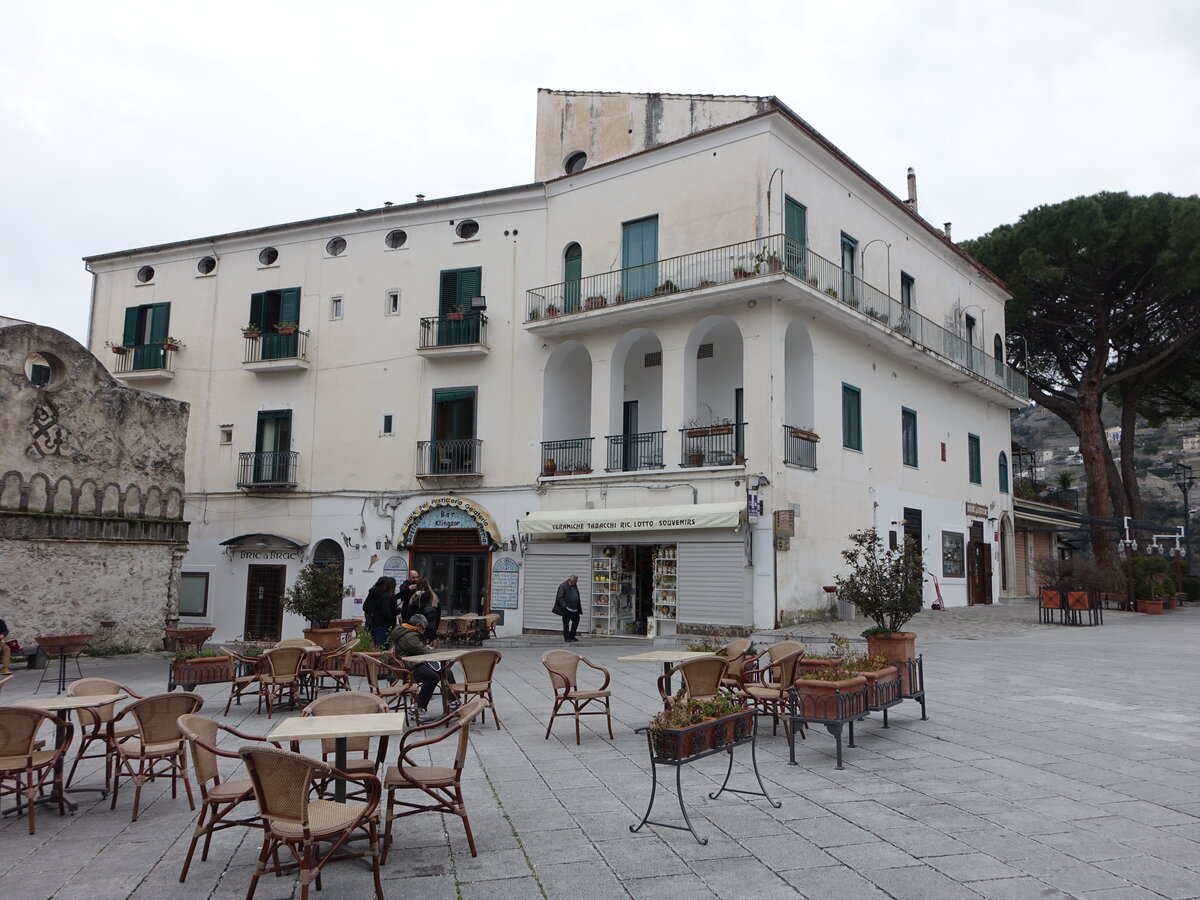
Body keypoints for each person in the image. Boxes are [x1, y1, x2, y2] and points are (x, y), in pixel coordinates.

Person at [388, 613, 440, 715]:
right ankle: (418, 707)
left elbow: (420, 649)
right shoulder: (409, 635)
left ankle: (453, 703)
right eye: (424, 628)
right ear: (418, 626)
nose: (424, 631)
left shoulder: (408, 632)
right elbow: (423, 650)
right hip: (410, 667)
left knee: (446, 671)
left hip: (416, 662)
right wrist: (430, 649)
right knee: (432, 677)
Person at [362, 576, 398, 648]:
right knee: (383, 648)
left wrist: (371, 614)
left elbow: (365, 607)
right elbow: (386, 611)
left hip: (372, 624)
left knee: (375, 646)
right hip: (383, 625)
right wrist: (390, 620)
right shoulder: (386, 596)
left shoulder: (372, 593)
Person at [411, 578, 441, 644]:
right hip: (431, 628)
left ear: (417, 585)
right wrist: (436, 627)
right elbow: (438, 614)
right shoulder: (434, 597)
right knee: (430, 649)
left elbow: (410, 614)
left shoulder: (415, 597)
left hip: (417, 628)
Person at [553, 575, 582, 643]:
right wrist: (565, 606)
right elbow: (560, 597)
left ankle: (572, 635)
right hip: (567, 608)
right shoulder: (563, 586)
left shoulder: (574, 586)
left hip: (575, 608)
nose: (576, 583)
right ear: (571, 580)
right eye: (575, 581)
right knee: (566, 623)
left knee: (576, 621)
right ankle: (566, 637)